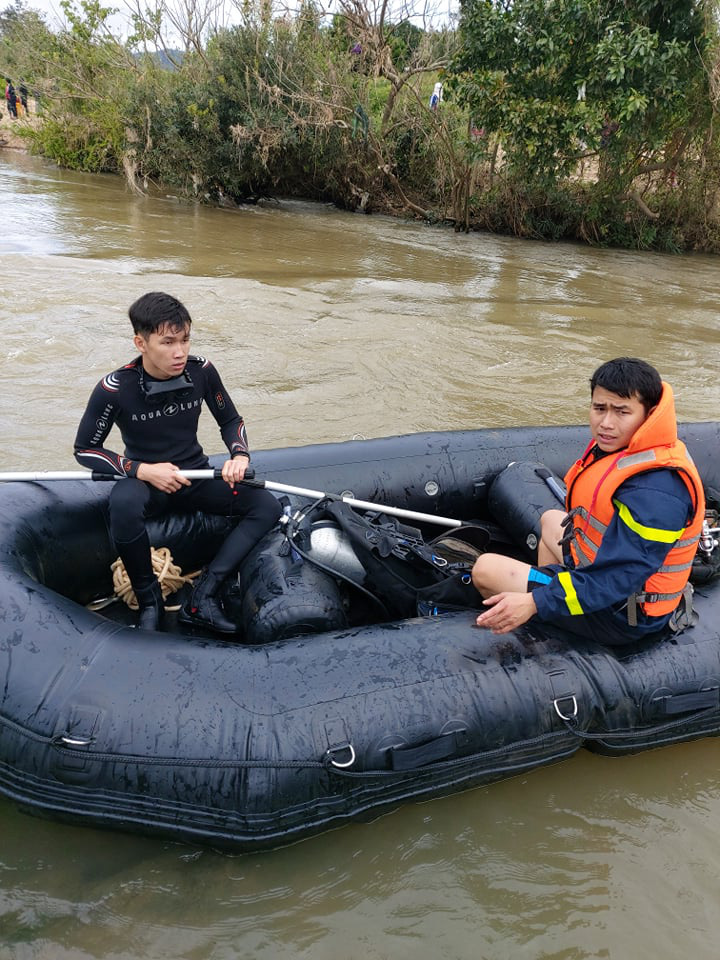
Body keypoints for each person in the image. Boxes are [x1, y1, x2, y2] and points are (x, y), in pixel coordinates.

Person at [74, 292, 282, 633]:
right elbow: (85, 449)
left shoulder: (202, 372)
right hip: (147, 482)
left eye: (185, 340)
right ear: (141, 342)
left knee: (266, 507)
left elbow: (230, 419)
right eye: (168, 342)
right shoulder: (115, 388)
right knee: (123, 503)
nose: (179, 351)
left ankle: (204, 594)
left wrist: (239, 456)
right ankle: (150, 601)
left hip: (193, 473)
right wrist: (142, 470)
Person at [472, 357, 705, 645]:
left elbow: (620, 578)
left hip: (625, 610)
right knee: (549, 521)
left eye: (622, 411)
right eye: (599, 408)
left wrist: (537, 601)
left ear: (649, 414)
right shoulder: (631, 448)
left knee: (486, 570)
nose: (606, 423)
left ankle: (545, 611)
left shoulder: (656, 491)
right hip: (600, 572)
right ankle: (552, 597)